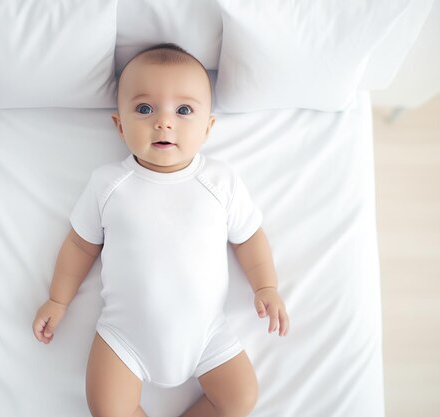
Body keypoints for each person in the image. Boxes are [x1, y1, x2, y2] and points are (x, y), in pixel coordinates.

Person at [32, 43, 289, 417]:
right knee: (107, 410)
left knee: (240, 399)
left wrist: (266, 286)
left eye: (183, 110)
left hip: (207, 336)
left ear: (207, 128)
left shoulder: (220, 182)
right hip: (124, 337)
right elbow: (80, 245)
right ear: (120, 126)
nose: (163, 122)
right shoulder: (108, 185)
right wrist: (59, 299)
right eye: (144, 109)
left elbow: (249, 237)